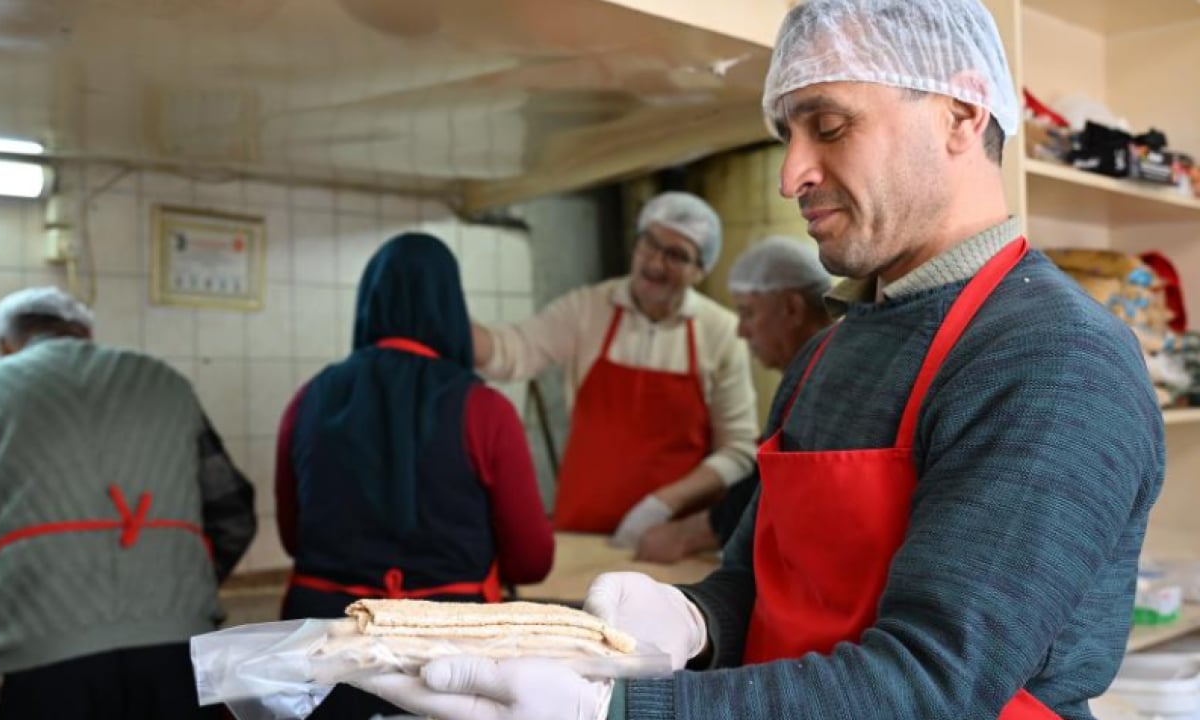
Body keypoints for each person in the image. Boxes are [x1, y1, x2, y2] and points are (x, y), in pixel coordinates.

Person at [353, 1, 1165, 718]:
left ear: (960, 111)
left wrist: (618, 711)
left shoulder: (1054, 362)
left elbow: (933, 685)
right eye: (788, 135)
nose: (791, 175)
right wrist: (696, 619)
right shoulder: (827, 357)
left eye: (831, 125)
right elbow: (759, 582)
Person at [0, 286, 257, 720]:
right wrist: (177, 588)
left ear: (4, 345)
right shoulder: (166, 384)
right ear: (85, 333)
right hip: (181, 659)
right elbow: (234, 518)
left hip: (34, 667)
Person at [276, 232, 555, 720]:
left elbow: (293, 536)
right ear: (453, 311)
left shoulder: (308, 400)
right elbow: (532, 560)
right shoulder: (486, 410)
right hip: (450, 664)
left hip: (323, 657)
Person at [473, 191, 759, 548]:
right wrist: (452, 326)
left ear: (700, 271)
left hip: (665, 544)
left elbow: (739, 452)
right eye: (649, 243)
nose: (655, 262)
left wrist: (663, 504)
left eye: (676, 255)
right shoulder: (588, 309)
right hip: (580, 532)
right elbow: (510, 351)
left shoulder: (721, 333)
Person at [635, 235, 834, 564]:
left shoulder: (827, 383)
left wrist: (688, 534)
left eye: (748, 313)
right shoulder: (804, 377)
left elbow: (783, 490)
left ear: (792, 308)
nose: (741, 332)